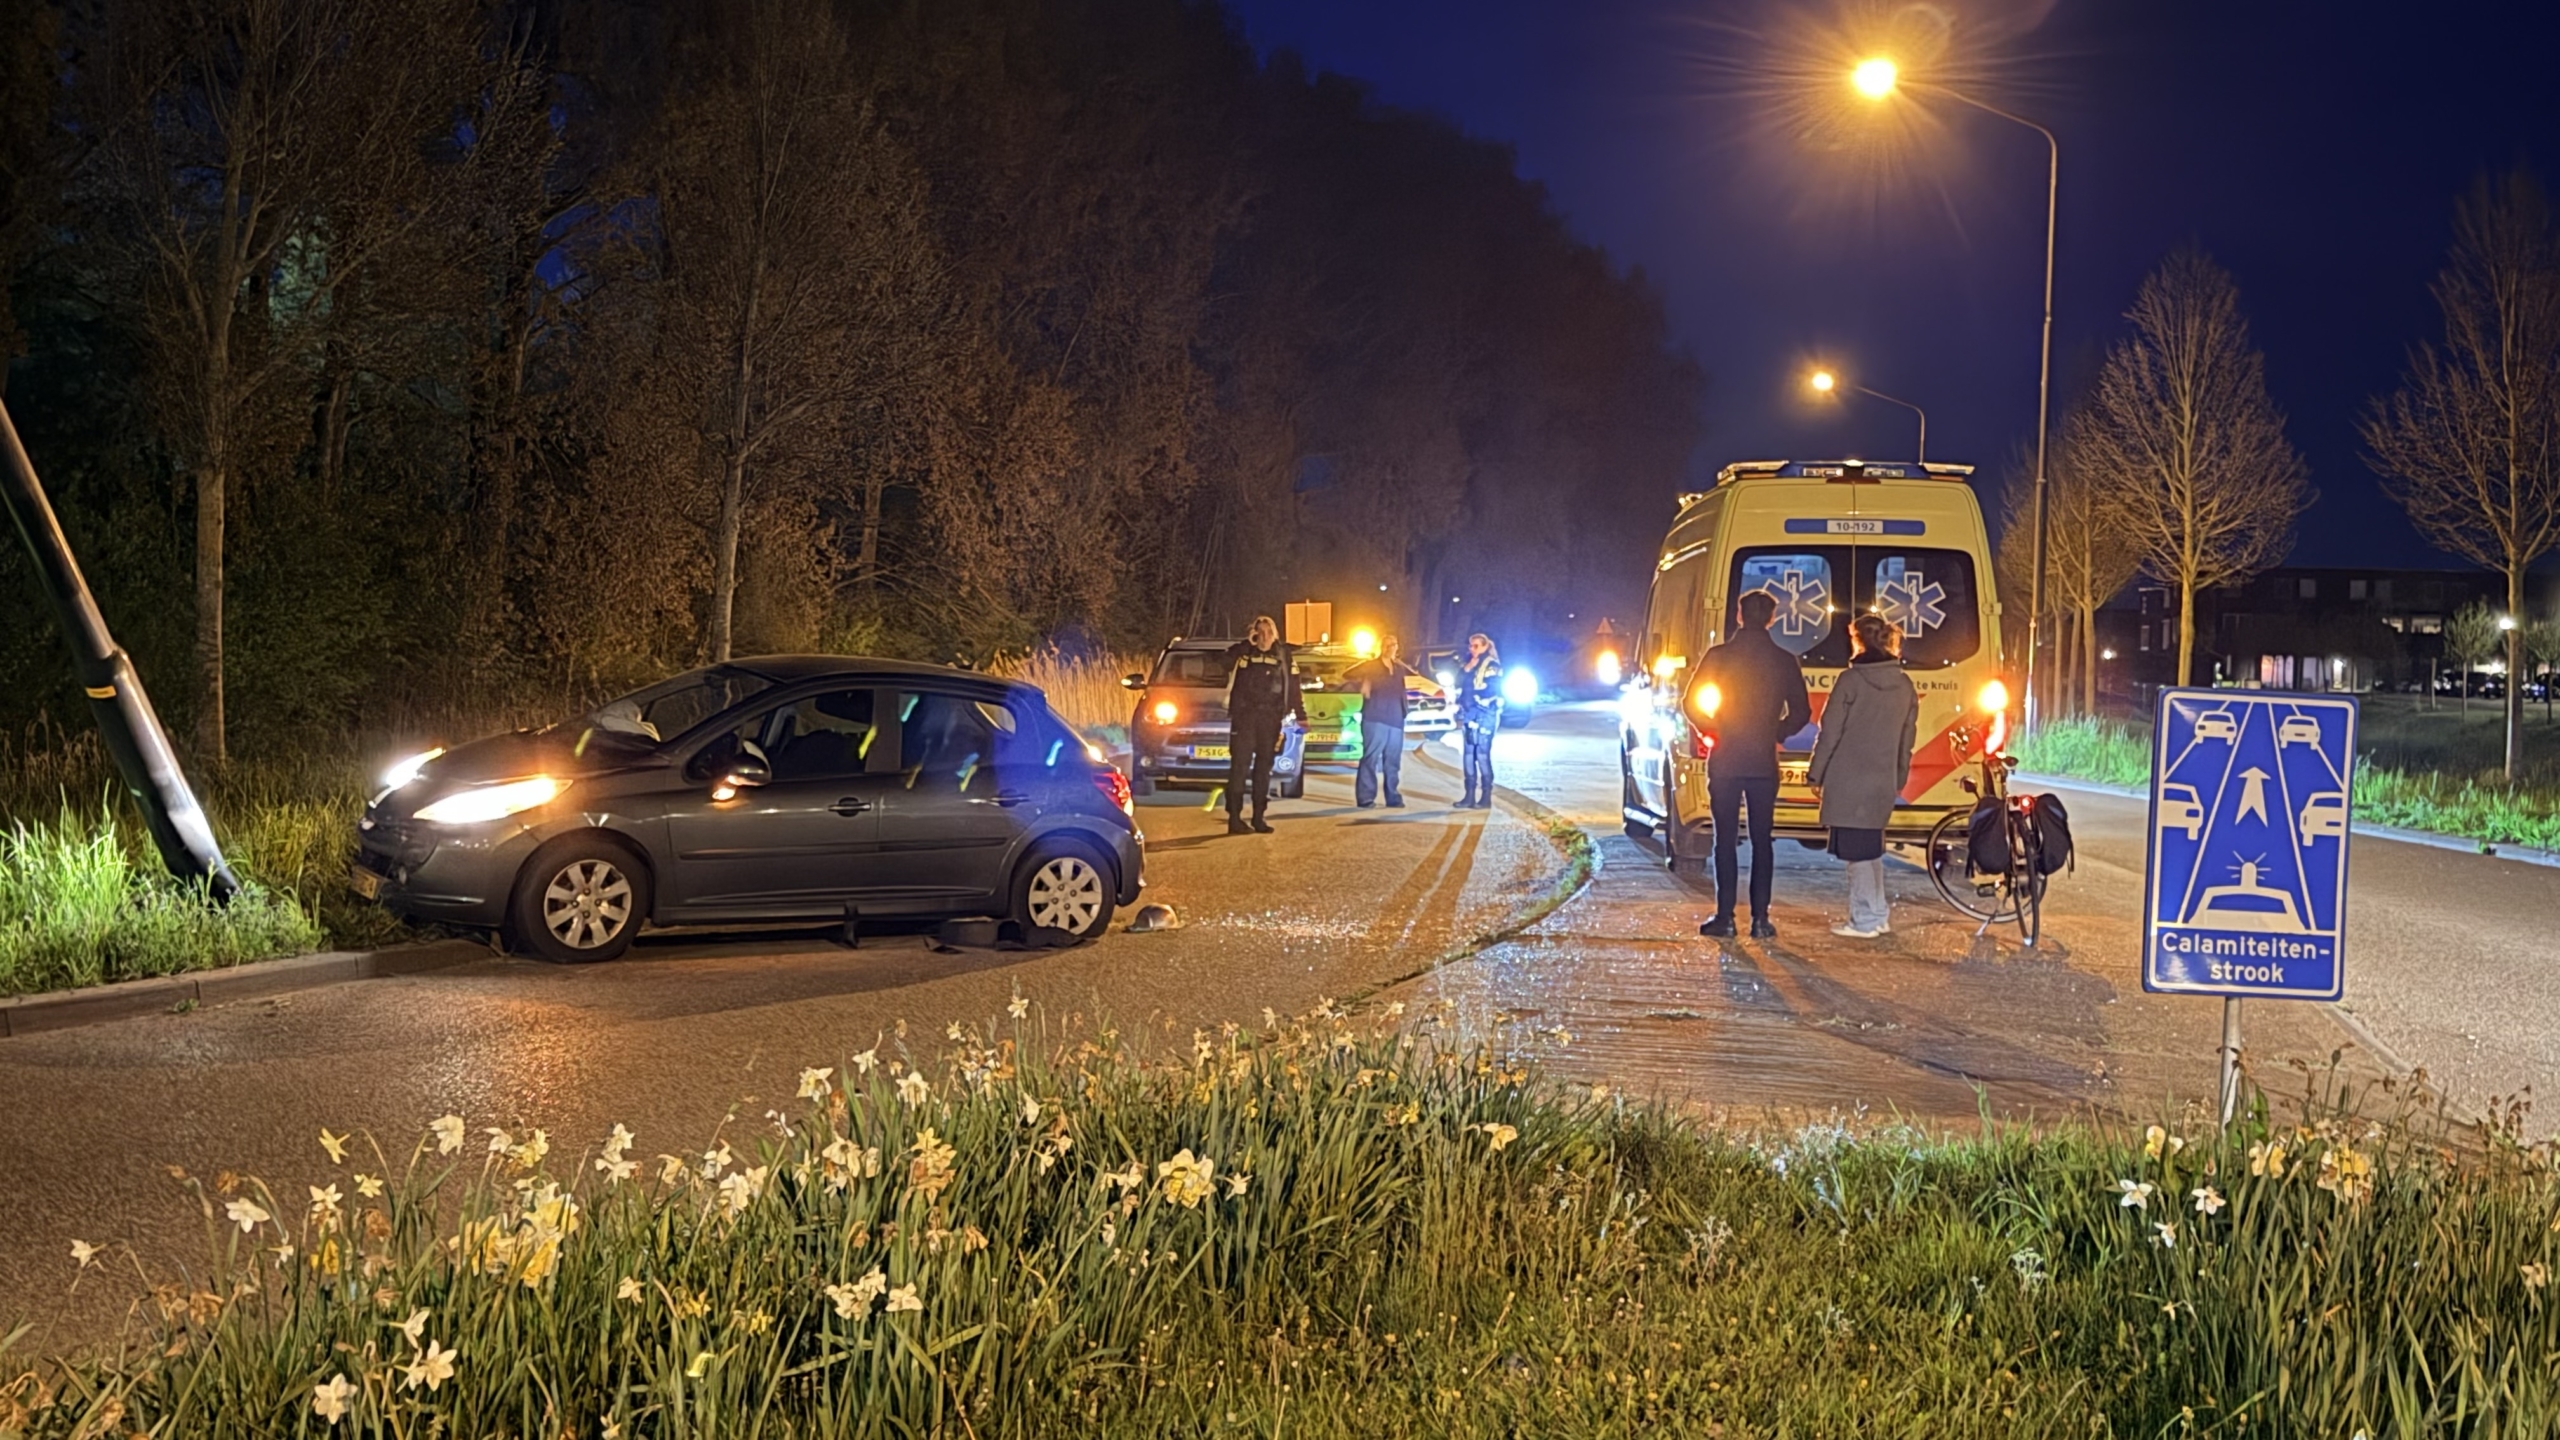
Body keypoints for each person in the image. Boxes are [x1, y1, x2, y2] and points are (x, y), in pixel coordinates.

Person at [1696, 590, 1812, 939]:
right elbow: (1802, 712)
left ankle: (1725, 917)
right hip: (1763, 761)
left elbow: (1691, 701)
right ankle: (1761, 919)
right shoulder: (1783, 660)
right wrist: (1777, 732)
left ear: (1738, 615)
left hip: (1727, 758)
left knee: (1725, 839)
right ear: (1772, 619)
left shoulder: (1719, 656)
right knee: (1763, 840)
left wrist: (1713, 728)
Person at [1807, 613, 1919, 939]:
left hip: (1847, 779)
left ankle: (1864, 920)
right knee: (1871, 849)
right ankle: (1878, 914)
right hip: (1881, 780)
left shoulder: (1850, 681)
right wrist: (1898, 777)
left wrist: (1816, 774)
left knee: (1856, 854)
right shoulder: (1904, 685)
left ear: (1855, 639)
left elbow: (1830, 733)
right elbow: (1906, 739)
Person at [1221, 616, 1306, 834]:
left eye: (1268, 632)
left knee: (1263, 769)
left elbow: (1294, 687)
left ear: (1275, 634)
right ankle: (1235, 818)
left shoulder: (1283, 655)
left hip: (1270, 719)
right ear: (1254, 633)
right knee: (1239, 767)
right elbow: (1222, 662)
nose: (1264, 636)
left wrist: (1301, 715)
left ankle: (1259, 816)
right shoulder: (1245, 652)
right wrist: (1246, 644)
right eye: (1260, 632)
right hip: (1245, 718)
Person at [1347, 636, 1419, 808]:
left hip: (1396, 719)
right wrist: (1364, 682)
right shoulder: (1371, 665)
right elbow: (1348, 674)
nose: (1390, 648)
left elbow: (1416, 677)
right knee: (1370, 758)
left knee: (1392, 761)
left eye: (1393, 644)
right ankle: (1365, 798)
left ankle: (1393, 797)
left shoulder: (1399, 667)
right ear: (1381, 647)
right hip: (1375, 717)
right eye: (1387, 645)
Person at [1454, 632, 1502, 808]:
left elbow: (1493, 689)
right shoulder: (1470, 664)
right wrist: (1467, 668)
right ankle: (1469, 796)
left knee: (1482, 755)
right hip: (1469, 714)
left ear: (1485, 646)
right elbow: (1458, 681)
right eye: (1470, 645)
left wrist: (1476, 699)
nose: (1472, 649)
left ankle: (1486, 797)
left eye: (1476, 646)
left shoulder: (1492, 665)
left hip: (1484, 715)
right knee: (1468, 756)